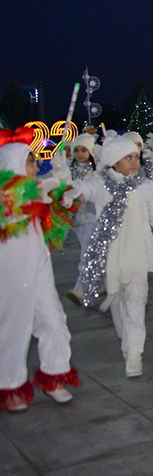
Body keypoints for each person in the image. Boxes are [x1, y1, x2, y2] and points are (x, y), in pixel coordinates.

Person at [74, 136, 153, 377]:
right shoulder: (100, 184)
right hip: (111, 258)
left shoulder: (144, 186)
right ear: (114, 162)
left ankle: (135, 352)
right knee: (118, 303)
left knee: (137, 301)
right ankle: (127, 340)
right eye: (128, 158)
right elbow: (82, 191)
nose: (135, 162)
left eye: (135, 157)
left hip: (138, 255)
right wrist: (67, 188)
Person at [0, 131, 80, 411]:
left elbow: (58, 206)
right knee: (14, 327)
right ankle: (9, 386)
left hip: (40, 269)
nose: (35, 167)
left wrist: (64, 190)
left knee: (54, 321)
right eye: (30, 161)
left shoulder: (36, 189)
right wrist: (36, 198)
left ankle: (55, 376)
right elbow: (13, 213)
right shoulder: (5, 199)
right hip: (11, 273)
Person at [65, 136, 99, 305]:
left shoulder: (97, 170)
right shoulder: (68, 170)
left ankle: (80, 288)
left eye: (84, 150)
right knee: (94, 253)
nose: (79, 154)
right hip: (77, 218)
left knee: (87, 253)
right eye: (76, 150)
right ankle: (103, 282)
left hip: (94, 218)